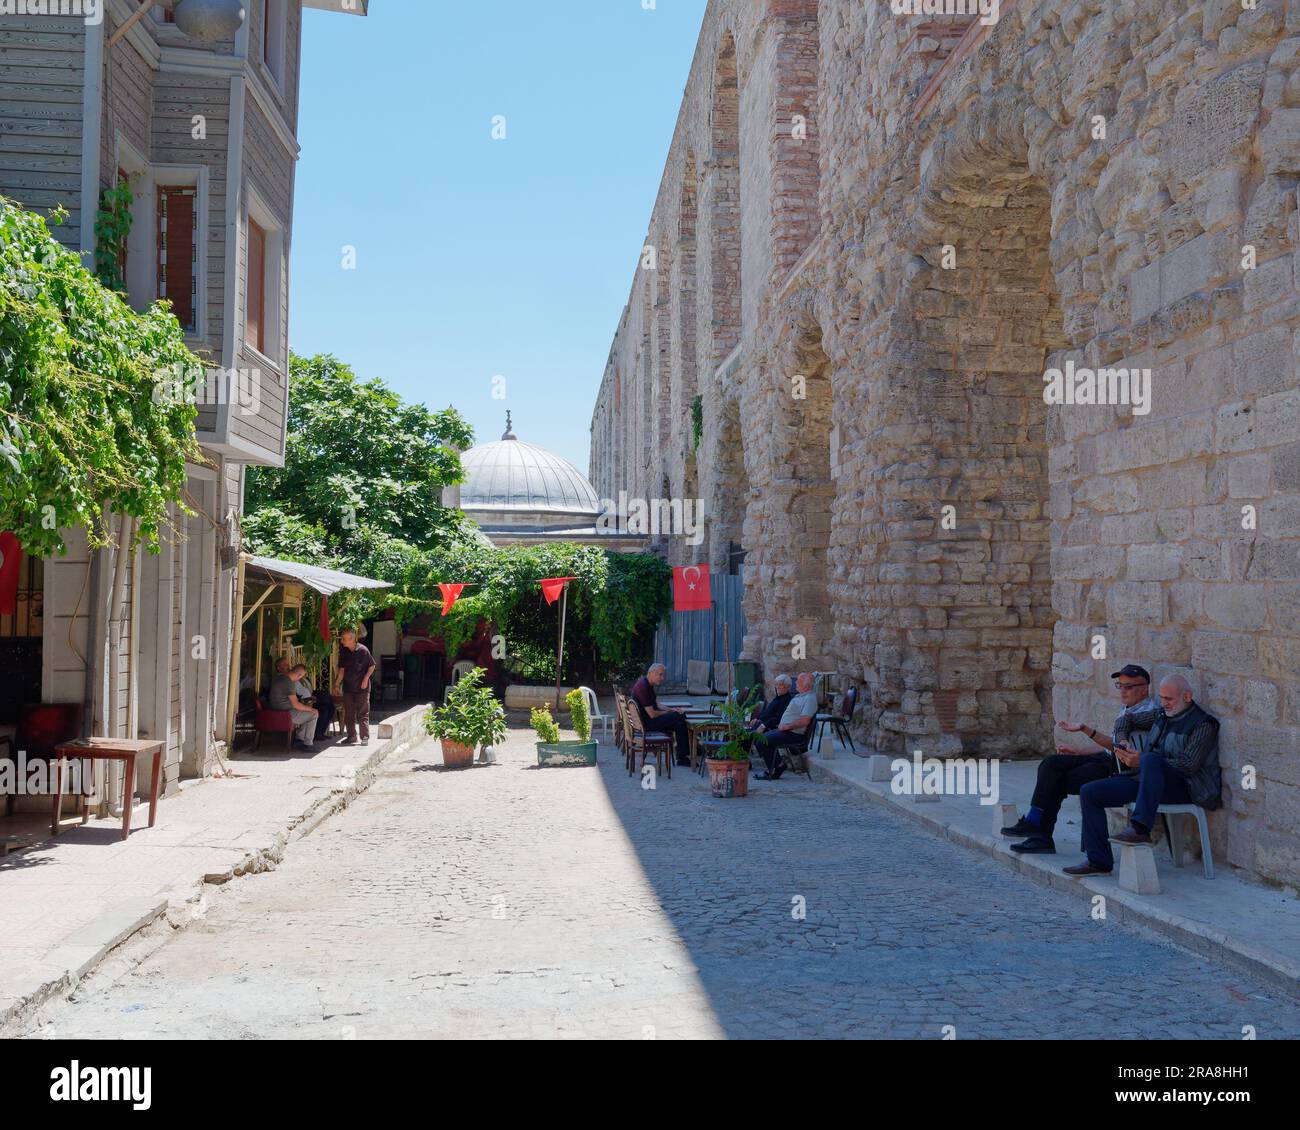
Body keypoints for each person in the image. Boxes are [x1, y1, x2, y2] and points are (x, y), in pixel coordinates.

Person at [1066, 674, 1223, 877]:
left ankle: (1140, 829)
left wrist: (1143, 761)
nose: (1164, 703)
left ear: (1187, 697)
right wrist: (1122, 742)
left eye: (1169, 699)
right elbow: (1126, 719)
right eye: (1162, 698)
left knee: (1151, 759)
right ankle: (1098, 861)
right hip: (1148, 781)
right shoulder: (1161, 715)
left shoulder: (1204, 724)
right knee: (1090, 792)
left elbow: (1188, 765)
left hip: (1185, 786)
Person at [1002, 664, 1161, 854]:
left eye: (1129, 687)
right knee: (1050, 764)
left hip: (1116, 768)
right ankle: (1034, 824)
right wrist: (1078, 751)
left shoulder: (1148, 713)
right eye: (1121, 686)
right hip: (1103, 758)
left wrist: (1086, 729)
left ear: (1144, 689)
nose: (1123, 691)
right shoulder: (1128, 708)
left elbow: (1119, 749)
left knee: (1057, 780)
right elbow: (1110, 743)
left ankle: (1039, 833)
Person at [753, 672, 818, 780]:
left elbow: (805, 721)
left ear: (806, 685)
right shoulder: (801, 696)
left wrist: (786, 726)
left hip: (794, 734)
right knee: (760, 738)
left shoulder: (810, 699)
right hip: (787, 731)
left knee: (762, 741)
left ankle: (776, 769)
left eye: (799, 681)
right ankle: (777, 767)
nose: (795, 682)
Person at [631, 663, 691, 767]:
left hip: (647, 721)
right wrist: (670, 712)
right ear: (652, 673)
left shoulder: (646, 683)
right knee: (679, 716)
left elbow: (656, 704)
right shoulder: (643, 687)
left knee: (679, 724)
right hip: (647, 725)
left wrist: (671, 709)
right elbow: (652, 714)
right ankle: (692, 747)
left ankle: (683, 757)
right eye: (660, 674)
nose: (662, 678)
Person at [334, 627, 376, 747]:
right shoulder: (344, 651)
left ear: (351, 639)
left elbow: (372, 666)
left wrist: (366, 678)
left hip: (362, 687)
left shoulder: (363, 650)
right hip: (348, 687)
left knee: (363, 712)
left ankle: (365, 737)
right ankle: (351, 736)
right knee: (349, 713)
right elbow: (342, 670)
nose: (342, 641)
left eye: (344, 638)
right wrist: (336, 684)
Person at [270, 661, 320, 752]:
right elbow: (296, 704)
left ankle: (299, 740)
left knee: (307, 712)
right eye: (301, 676)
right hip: (286, 714)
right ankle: (308, 744)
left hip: (277, 711)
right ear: (299, 675)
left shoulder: (281, 678)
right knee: (314, 714)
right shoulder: (289, 682)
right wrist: (312, 709)